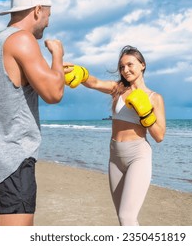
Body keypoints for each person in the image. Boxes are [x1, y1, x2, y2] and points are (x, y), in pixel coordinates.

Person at [0, 0, 65, 226]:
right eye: (48, 15)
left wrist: (52, 72)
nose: (48, 23)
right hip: (13, 156)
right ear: (37, 10)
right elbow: (54, 93)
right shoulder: (22, 39)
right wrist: (57, 55)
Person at [64, 45, 166, 225]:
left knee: (127, 217)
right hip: (115, 157)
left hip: (138, 156)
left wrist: (146, 115)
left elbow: (159, 136)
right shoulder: (117, 89)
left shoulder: (154, 97)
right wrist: (80, 73)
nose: (125, 70)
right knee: (122, 217)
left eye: (130, 64)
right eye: (122, 67)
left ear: (142, 65)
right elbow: (94, 83)